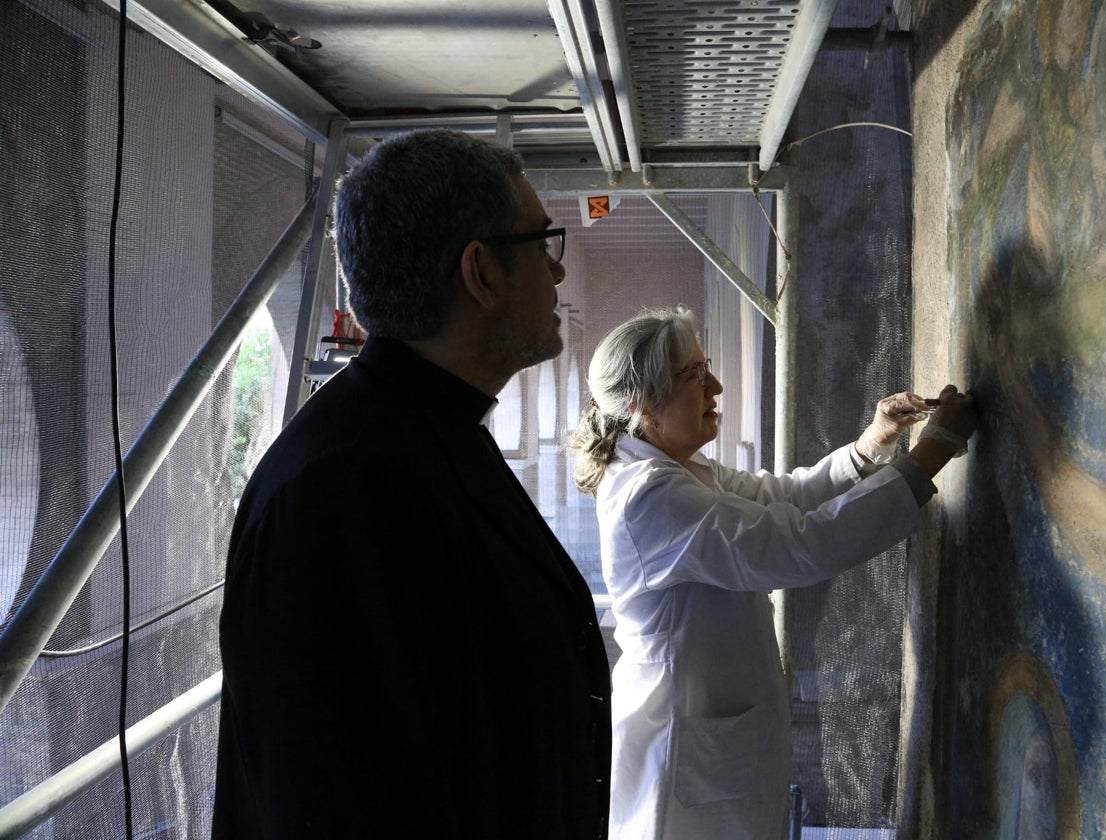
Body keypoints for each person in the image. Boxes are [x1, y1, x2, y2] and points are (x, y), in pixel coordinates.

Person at [212, 129, 611, 839]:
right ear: (481, 272)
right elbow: (336, 805)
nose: (555, 274)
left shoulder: (416, 437)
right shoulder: (339, 488)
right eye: (540, 244)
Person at [568, 307, 978, 840]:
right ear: (645, 404)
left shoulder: (676, 468)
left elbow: (782, 497)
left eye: (706, 366)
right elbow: (801, 545)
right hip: (685, 755)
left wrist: (872, 443)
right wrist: (933, 451)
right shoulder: (649, 495)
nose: (715, 385)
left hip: (711, 737)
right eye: (695, 375)